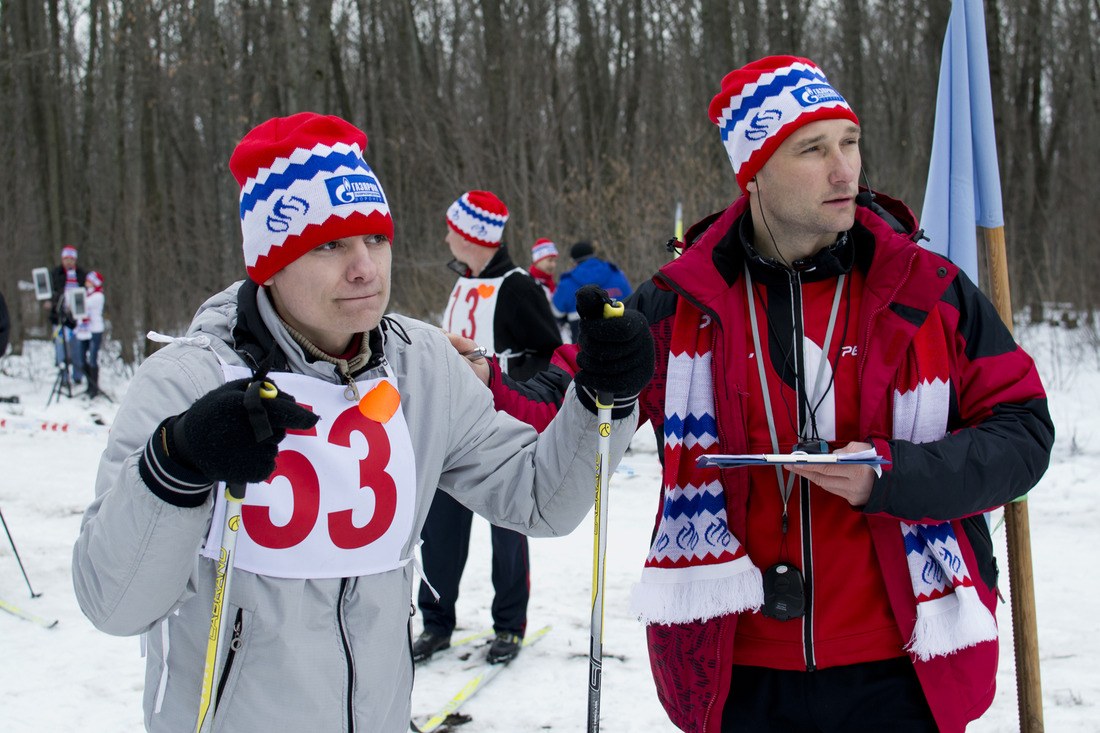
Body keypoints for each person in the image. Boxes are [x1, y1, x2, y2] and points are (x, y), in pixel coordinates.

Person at [493, 56, 1054, 733]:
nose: (845, 169)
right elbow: (556, 398)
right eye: (813, 150)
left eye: (850, 142)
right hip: (738, 676)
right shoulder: (680, 300)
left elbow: (1024, 433)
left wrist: (893, 473)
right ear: (753, 172)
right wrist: (483, 383)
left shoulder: (928, 290)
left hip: (904, 669)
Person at [70, 112, 653, 733]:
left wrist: (602, 398)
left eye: (376, 240)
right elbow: (115, 603)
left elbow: (540, 499)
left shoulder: (421, 366)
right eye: (329, 245)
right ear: (269, 261)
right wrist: (177, 462)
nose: (365, 268)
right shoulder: (187, 381)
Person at [414, 191, 565, 666]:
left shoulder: (519, 286)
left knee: (507, 529)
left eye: (451, 230)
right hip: (449, 420)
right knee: (439, 527)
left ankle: (508, 626)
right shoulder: (463, 282)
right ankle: (436, 623)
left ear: (474, 237)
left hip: (498, 424)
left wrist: (509, 386)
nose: (445, 238)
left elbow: (550, 351)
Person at [552, 240, 632, 341]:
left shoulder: (568, 282)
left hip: (585, 347)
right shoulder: (617, 275)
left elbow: (556, 313)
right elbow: (632, 303)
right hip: (621, 342)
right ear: (593, 255)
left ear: (575, 261)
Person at [46, 245, 86, 386]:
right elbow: (50, 292)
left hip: (76, 319)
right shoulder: (55, 274)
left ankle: (78, 375)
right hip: (59, 318)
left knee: (77, 348)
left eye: (71, 259)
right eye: (66, 259)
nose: (68, 262)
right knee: (61, 348)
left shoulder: (81, 274)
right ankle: (63, 377)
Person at [74, 270, 106, 397]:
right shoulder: (86, 294)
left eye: (89, 281)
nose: (86, 283)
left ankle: (94, 387)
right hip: (84, 331)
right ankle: (89, 384)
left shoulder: (98, 296)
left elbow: (81, 305)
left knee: (93, 359)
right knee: (82, 359)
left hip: (94, 330)